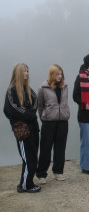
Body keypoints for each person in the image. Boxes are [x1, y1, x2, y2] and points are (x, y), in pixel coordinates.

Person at [3, 63, 41, 193]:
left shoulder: (29, 90)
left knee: (33, 157)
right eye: (24, 71)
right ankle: (25, 185)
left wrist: (29, 113)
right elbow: (11, 109)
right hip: (23, 131)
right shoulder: (12, 90)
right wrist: (28, 114)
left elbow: (35, 102)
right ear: (19, 73)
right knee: (28, 158)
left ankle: (28, 181)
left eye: (28, 71)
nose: (27, 73)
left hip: (33, 128)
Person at [36, 65, 70, 184]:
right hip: (49, 122)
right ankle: (41, 174)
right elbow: (40, 106)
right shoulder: (43, 88)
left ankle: (58, 171)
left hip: (63, 121)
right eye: (57, 74)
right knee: (46, 148)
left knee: (60, 147)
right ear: (52, 74)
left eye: (61, 74)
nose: (60, 76)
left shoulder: (65, 87)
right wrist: (44, 117)